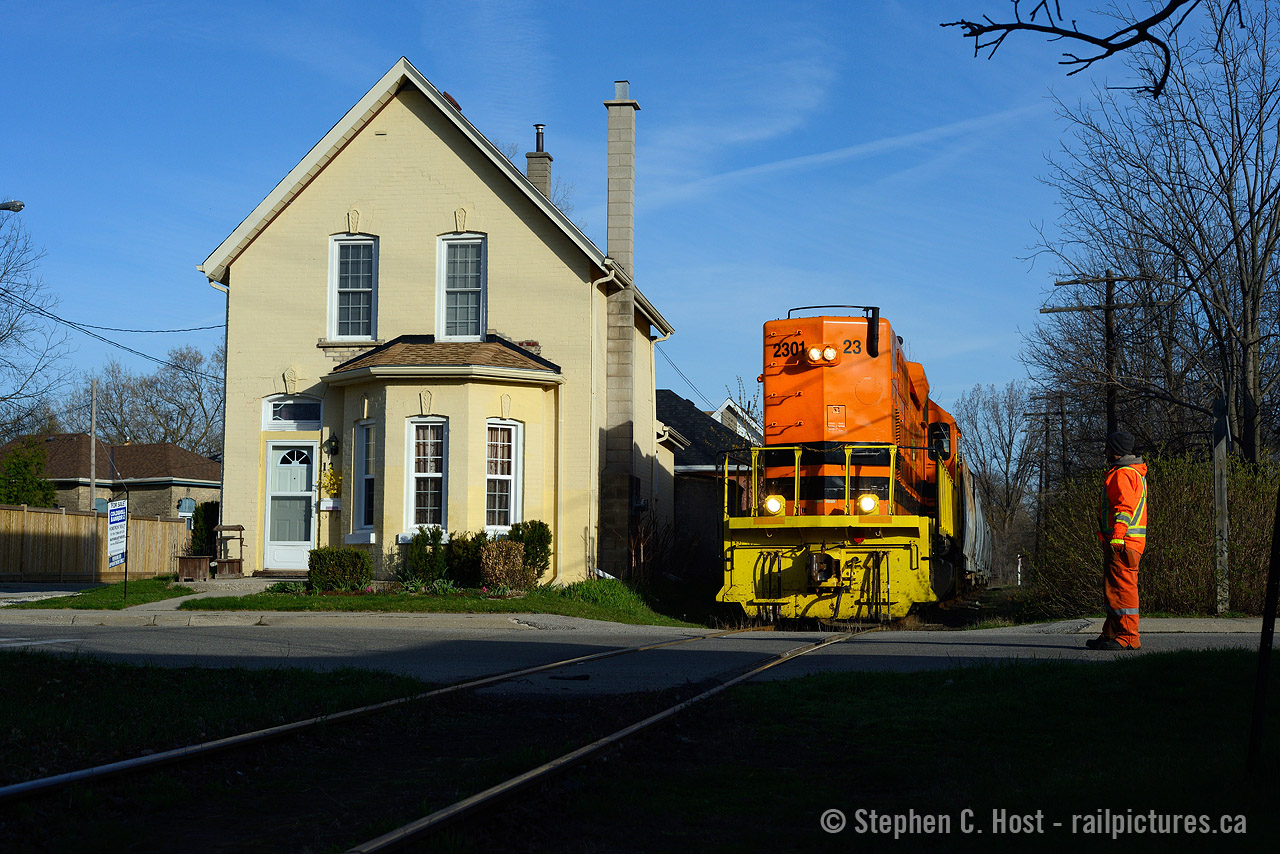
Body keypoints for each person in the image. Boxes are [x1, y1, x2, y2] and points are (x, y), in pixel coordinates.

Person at [1087, 430, 1147, 651]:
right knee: (1114, 589)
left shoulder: (1123, 474)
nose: (1105, 451)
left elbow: (1124, 509)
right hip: (1124, 542)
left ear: (1116, 451)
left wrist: (1118, 537)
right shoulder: (1131, 473)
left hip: (1122, 543)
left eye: (1108, 448)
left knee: (1123, 589)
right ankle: (1111, 633)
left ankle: (1129, 637)